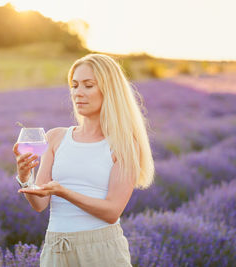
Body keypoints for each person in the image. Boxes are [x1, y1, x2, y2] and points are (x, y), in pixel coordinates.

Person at [12, 53, 155, 267]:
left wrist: (64, 192)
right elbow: (40, 204)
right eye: (74, 85)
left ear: (109, 90)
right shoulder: (55, 137)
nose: (78, 93)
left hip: (101, 250)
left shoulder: (123, 144)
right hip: (56, 248)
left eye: (88, 85)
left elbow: (112, 211)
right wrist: (25, 177)